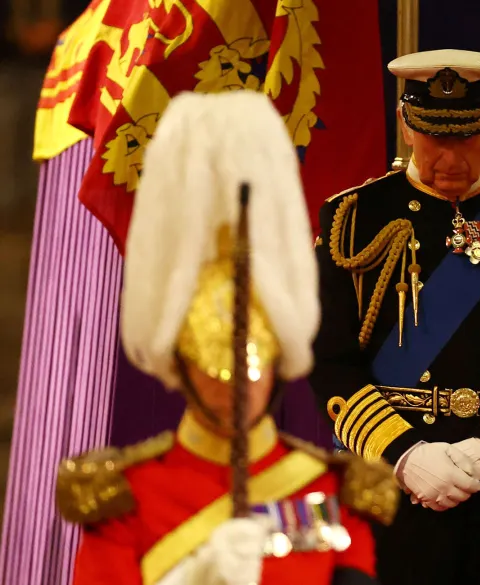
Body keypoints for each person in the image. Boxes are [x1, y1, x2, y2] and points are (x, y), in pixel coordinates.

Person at [55, 90, 398, 585]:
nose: (237, 386)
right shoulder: (125, 500)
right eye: (214, 369)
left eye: (254, 366)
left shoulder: (333, 491)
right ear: (181, 365)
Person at [309, 49, 480, 585]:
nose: (450, 159)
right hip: (392, 483)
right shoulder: (354, 218)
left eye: (466, 138)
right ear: (405, 125)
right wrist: (403, 454)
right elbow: (330, 361)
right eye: (434, 138)